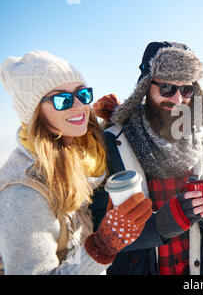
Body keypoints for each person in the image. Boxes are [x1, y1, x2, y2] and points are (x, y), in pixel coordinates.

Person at [0, 51, 152, 274]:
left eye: (82, 93)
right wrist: (102, 247)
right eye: (63, 100)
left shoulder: (83, 152)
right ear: (35, 113)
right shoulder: (24, 191)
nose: (79, 106)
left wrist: (121, 115)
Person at [90, 41, 203, 275]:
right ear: (145, 87)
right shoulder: (112, 144)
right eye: (167, 88)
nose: (178, 100)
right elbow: (97, 231)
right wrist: (160, 226)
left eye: (186, 89)